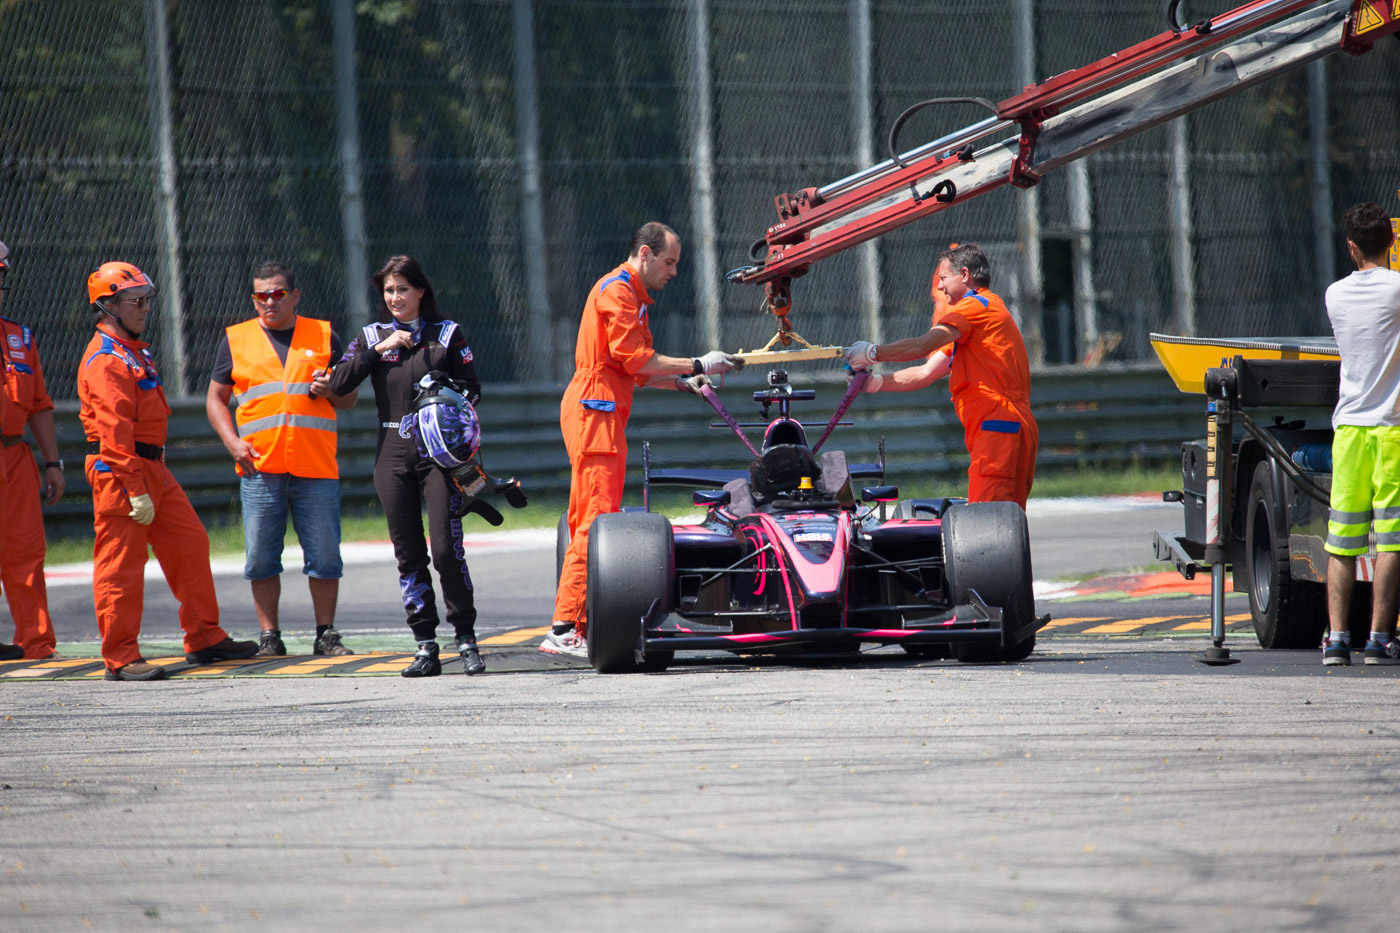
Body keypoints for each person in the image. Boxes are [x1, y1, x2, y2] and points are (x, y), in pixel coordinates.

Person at [545, 221, 741, 659]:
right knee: (596, 517)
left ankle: (576, 623)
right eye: (669, 262)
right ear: (646, 254)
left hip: (600, 408)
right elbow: (636, 359)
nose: (673, 271)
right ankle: (565, 626)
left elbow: (640, 370)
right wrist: (696, 363)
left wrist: (684, 382)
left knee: (590, 516)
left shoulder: (634, 297)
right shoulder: (617, 291)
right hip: (595, 409)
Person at [79, 261, 257, 680]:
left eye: (147, 300)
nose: (145, 308)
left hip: (153, 467)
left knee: (190, 543)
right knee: (121, 564)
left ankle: (204, 637)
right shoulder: (106, 359)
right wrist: (134, 487)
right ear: (108, 306)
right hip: (121, 470)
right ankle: (120, 657)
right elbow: (114, 432)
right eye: (136, 301)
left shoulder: (133, 350)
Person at [326, 255, 486, 677]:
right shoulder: (372, 336)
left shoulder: (447, 333)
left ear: (420, 291)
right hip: (391, 452)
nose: (395, 297)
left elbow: (473, 390)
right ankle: (425, 645)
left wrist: (447, 400)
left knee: (446, 550)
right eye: (388, 291)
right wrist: (379, 350)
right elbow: (338, 384)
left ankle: (466, 640)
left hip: (438, 455)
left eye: (402, 289)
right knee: (409, 554)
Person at [206, 261, 358, 658]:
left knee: (325, 555)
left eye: (277, 294)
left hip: (315, 466)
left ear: (295, 296)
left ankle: (326, 634)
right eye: (261, 295)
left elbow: (349, 399)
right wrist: (233, 443)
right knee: (260, 557)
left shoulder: (323, 335)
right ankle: (269, 636)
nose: (269, 302)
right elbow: (215, 399)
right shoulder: (236, 339)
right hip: (260, 466)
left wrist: (331, 390)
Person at [843, 242, 1038, 509]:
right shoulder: (983, 315)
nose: (940, 286)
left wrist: (872, 353)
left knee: (986, 519)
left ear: (965, 275)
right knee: (1006, 520)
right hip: (1009, 427)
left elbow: (922, 346)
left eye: (944, 277)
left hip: (997, 429)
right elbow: (925, 373)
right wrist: (873, 383)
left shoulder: (974, 307)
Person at [1321, 202, 1400, 667]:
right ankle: (1379, 640)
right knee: (1391, 539)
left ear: (1351, 247)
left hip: (1350, 428)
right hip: (1392, 429)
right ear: (1391, 241)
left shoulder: (1334, 295)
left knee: (1341, 540)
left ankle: (1336, 640)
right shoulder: (1397, 289)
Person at [0, 240, 66, 662]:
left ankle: (36, 642)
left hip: (16, 456)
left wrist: (52, 463)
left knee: (26, 551)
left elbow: (39, 404)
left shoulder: (20, 337)